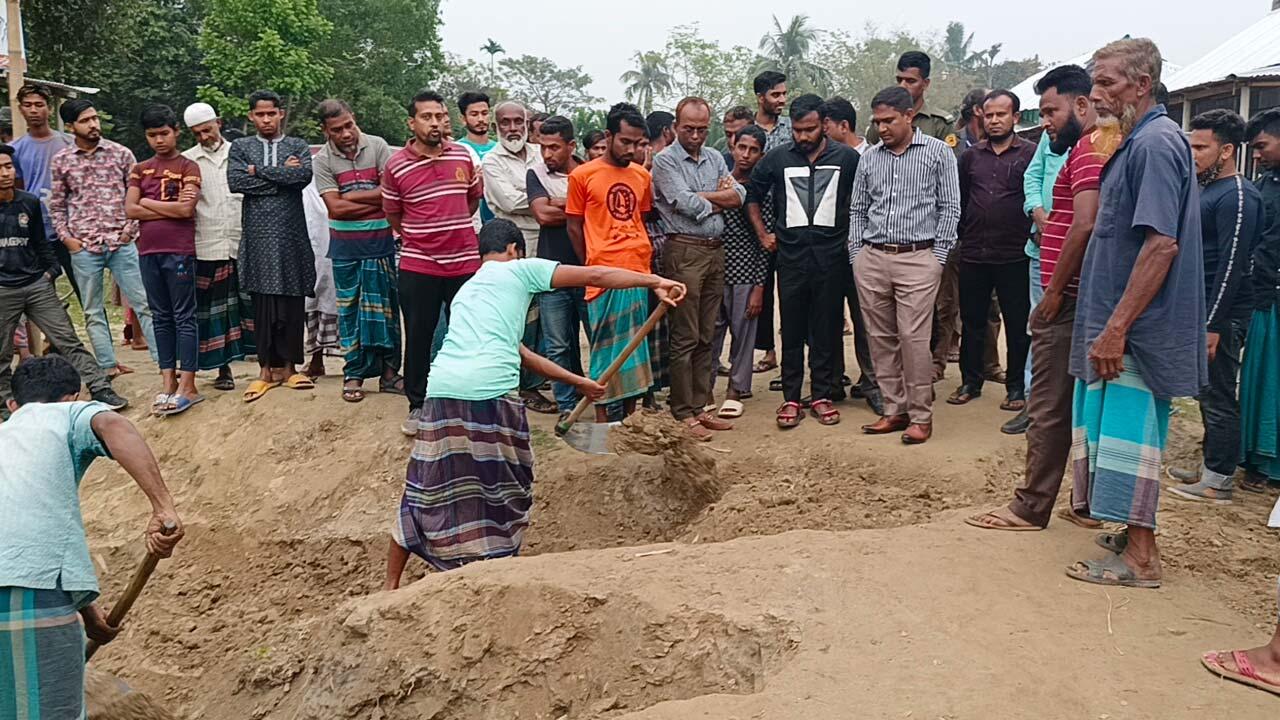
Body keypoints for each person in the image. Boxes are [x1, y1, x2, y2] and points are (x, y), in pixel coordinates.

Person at [384, 220, 685, 586]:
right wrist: (655, 281)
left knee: (425, 484)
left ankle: (391, 584)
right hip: (490, 392)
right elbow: (597, 274)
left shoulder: (468, 290)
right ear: (514, 249)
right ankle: (495, 572)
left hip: (442, 390)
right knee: (507, 488)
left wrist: (580, 383)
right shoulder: (522, 271)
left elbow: (520, 352)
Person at [1064, 39, 1206, 589]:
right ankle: (1131, 537)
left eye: (1108, 83)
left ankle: (1142, 558)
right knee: (1119, 435)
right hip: (1122, 323)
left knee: (1132, 437)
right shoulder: (1138, 140)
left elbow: (1161, 246)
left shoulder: (1154, 145)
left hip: (1136, 330)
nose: (1096, 94)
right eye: (1095, 83)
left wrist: (1117, 327)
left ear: (1142, 85)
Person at [965, 64, 1113, 531]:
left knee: (1049, 406)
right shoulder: (1088, 148)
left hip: (1066, 300)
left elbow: (1084, 225)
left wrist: (1052, 294)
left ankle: (1030, 507)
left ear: (1082, 105)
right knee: (1080, 406)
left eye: (1051, 110)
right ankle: (1086, 504)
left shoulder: (1089, 151)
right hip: (1076, 297)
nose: (1045, 121)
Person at [0, 356, 183, 715]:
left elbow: (23, 533)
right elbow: (113, 423)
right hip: (31, 592)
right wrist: (163, 507)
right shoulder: (67, 414)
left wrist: (89, 616)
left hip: (27, 583)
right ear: (75, 398)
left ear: (11, 406)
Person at [849, 86, 961, 445]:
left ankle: (920, 415)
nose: (881, 128)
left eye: (889, 120)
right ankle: (893, 410)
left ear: (909, 116)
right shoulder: (870, 158)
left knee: (913, 339)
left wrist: (937, 258)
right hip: (873, 256)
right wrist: (857, 255)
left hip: (919, 257)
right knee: (880, 338)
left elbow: (950, 207)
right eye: (877, 121)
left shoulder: (939, 153)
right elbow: (857, 209)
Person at [1164, 110, 1264, 503]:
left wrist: (1213, 323)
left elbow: (1233, 265)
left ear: (1225, 151)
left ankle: (1219, 478)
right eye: (1190, 144)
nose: (1192, 153)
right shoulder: (1206, 189)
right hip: (1203, 307)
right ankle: (1210, 464)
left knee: (1220, 391)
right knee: (1206, 391)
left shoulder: (1238, 197)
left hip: (1222, 312)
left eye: (1200, 147)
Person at [748, 94, 861, 429]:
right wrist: (763, 234)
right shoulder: (777, 158)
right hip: (792, 259)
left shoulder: (848, 158)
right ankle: (792, 398)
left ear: (824, 125)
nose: (802, 136)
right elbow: (751, 196)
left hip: (832, 258)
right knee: (793, 329)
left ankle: (823, 394)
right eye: (797, 130)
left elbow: (863, 200)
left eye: (809, 129)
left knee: (827, 328)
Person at [383, 89, 483, 436]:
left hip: (465, 263)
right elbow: (393, 214)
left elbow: (471, 202)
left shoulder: (463, 156)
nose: (436, 122)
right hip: (419, 264)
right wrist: (424, 237)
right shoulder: (396, 165)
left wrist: (450, 228)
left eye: (441, 116)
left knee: (466, 335)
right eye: (427, 117)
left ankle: (464, 401)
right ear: (412, 123)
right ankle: (417, 405)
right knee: (420, 336)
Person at [0, 145, 127, 415]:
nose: (4, 173)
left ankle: (100, 387)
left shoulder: (29, 202)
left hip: (36, 285)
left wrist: (51, 272)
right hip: (3, 290)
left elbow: (41, 242)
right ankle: (6, 405)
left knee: (68, 339)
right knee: (2, 352)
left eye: (8, 167)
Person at [652, 96, 744, 440]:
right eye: (688, 128)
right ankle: (682, 411)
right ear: (675, 127)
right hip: (684, 252)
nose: (695, 135)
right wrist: (717, 198)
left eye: (702, 129)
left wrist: (709, 198)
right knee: (685, 335)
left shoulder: (716, 156)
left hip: (715, 251)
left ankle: (702, 405)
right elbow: (686, 204)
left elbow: (739, 196)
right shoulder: (664, 161)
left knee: (708, 333)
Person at [49, 98, 158, 376]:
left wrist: (129, 231)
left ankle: (165, 365)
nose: (94, 125)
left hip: (120, 243)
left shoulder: (121, 154)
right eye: (86, 121)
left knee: (144, 302)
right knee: (93, 311)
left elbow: (138, 196)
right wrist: (68, 239)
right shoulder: (62, 161)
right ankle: (108, 366)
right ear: (71, 126)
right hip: (84, 246)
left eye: (95, 118)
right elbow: (58, 205)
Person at [566, 102, 656, 422]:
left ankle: (632, 419)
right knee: (606, 348)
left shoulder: (642, 176)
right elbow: (574, 226)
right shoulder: (582, 175)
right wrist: (592, 267)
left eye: (638, 143)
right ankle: (604, 418)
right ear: (609, 135)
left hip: (638, 268)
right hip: (603, 273)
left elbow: (640, 217)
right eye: (625, 142)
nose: (632, 149)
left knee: (634, 349)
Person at [946, 90, 1035, 414]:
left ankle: (1015, 387)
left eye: (1002, 114)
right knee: (972, 321)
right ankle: (971, 381)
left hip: (1015, 255)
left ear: (1015, 117)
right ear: (981, 115)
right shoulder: (970, 157)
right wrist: (962, 238)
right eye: (989, 114)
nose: (995, 120)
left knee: (1016, 322)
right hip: (974, 254)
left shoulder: (1030, 154)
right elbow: (961, 200)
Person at [311, 99, 404, 404]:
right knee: (349, 311)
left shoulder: (377, 146)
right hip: (345, 248)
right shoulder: (323, 159)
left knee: (386, 310)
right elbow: (334, 208)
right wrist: (371, 198)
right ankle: (355, 374)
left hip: (380, 244)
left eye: (349, 124)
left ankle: (390, 374)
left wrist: (351, 197)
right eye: (338, 129)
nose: (347, 133)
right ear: (326, 131)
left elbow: (390, 197)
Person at [227, 90, 316, 403]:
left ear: (281, 114)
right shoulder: (241, 146)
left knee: (291, 302)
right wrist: (282, 175)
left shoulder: (297, 145)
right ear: (251, 116)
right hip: (258, 237)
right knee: (263, 304)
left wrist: (259, 171)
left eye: (272, 113)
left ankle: (291, 369)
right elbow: (236, 182)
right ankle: (265, 371)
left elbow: (302, 176)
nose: (266, 119)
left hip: (290, 235)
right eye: (260, 114)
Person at [125, 105, 203, 416]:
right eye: (152, 135)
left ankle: (189, 384)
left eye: (164, 133)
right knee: (160, 316)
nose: (159, 140)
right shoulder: (139, 169)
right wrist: (153, 206)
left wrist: (146, 202)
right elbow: (130, 209)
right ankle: (167, 381)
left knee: (184, 315)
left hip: (179, 250)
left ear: (176, 131)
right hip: (147, 251)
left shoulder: (189, 167)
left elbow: (186, 211)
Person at [483, 101, 556, 414]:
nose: (513, 128)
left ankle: (540, 377)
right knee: (520, 316)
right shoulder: (492, 161)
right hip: (516, 243)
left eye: (518, 121)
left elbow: (559, 185)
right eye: (505, 122)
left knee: (547, 314)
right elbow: (510, 200)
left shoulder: (541, 154)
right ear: (495, 126)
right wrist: (545, 199)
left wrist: (546, 199)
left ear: (527, 123)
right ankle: (523, 386)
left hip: (549, 237)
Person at [1003, 105, 1071, 436]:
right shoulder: (1049, 137)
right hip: (1040, 249)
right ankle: (1034, 405)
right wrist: (1038, 211)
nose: (1045, 122)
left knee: (1068, 331)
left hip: (1079, 255)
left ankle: (1063, 410)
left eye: (1051, 111)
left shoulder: (1098, 142)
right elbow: (1033, 175)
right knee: (1038, 325)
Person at [182, 102, 253, 391]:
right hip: (207, 244)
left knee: (248, 307)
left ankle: (262, 366)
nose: (204, 137)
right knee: (214, 311)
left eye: (207, 130)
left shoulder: (241, 153)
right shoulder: (188, 161)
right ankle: (222, 369)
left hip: (242, 240)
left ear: (219, 124)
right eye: (197, 133)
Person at [820, 96, 882, 415]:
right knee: (828, 317)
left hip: (864, 251)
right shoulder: (821, 157)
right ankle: (831, 382)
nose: (821, 131)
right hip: (829, 251)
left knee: (865, 319)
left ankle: (872, 383)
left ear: (843, 126)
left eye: (825, 126)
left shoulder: (874, 157)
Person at [527, 116, 589, 418]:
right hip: (550, 274)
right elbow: (543, 216)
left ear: (571, 145)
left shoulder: (590, 170)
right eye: (543, 147)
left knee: (598, 338)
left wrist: (560, 202)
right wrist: (582, 209)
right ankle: (566, 406)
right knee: (558, 346)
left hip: (589, 270)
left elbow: (598, 210)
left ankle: (604, 401)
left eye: (554, 147)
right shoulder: (535, 173)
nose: (547, 154)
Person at [709, 124, 768, 419]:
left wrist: (760, 286)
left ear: (761, 154)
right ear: (732, 146)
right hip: (713, 268)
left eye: (753, 150)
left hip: (746, 271)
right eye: (742, 147)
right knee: (709, 333)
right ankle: (704, 390)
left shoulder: (761, 188)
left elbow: (766, 242)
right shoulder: (717, 180)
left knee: (744, 334)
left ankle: (736, 389)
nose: (746, 155)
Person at [1239, 108, 1280, 493]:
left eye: (1261, 146)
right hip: (1262, 295)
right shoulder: (1266, 183)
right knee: (1258, 379)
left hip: (1274, 295)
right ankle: (1255, 457)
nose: (1255, 155)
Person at [11, 84, 77, 301]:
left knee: (85, 289)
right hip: (36, 230)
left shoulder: (69, 143)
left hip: (71, 227)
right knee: (41, 295)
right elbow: (18, 191)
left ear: (48, 109)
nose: (33, 110)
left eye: (39, 105)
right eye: (28, 105)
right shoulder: (15, 149)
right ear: (20, 109)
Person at [751, 70, 791, 382]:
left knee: (789, 291)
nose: (782, 100)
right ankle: (768, 351)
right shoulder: (748, 131)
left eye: (783, 94)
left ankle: (792, 352)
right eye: (776, 95)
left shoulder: (793, 128)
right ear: (761, 96)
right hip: (757, 221)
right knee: (760, 290)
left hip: (790, 219)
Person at [865, 51, 956, 147]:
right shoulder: (880, 120)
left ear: (925, 83)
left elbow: (950, 159)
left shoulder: (939, 123)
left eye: (911, 81)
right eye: (899, 80)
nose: (902, 86)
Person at [457, 91, 497, 223]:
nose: (481, 119)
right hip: (471, 223)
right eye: (474, 114)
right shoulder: (456, 151)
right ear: (463, 119)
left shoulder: (500, 149)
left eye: (484, 113)